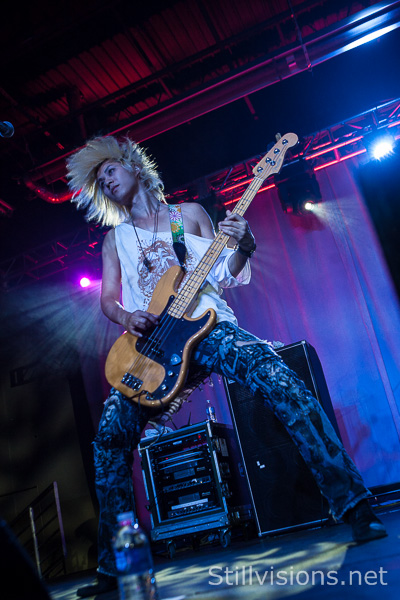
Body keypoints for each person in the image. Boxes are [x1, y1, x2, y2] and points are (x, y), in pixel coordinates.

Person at [66, 135, 387, 597]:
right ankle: (117, 564)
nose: (107, 180)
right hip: (152, 347)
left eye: (110, 170)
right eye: (100, 180)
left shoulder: (188, 215)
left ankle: (354, 506)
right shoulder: (114, 240)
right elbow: (108, 300)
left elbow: (223, 274)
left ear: (133, 165)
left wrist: (245, 245)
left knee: (280, 380)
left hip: (209, 326)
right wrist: (127, 316)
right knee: (109, 439)